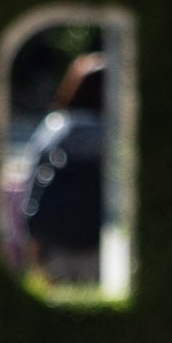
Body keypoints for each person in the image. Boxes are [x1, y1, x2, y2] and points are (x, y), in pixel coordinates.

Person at [16, 55, 108, 288]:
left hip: (55, 235)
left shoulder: (56, 128)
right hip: (98, 236)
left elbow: (34, 181)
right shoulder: (113, 135)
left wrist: (31, 235)